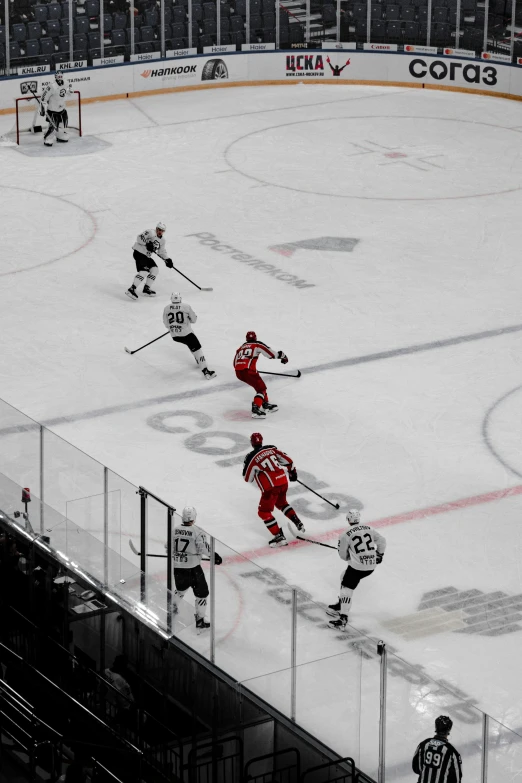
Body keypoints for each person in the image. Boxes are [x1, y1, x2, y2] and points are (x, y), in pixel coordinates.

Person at [327, 509, 386, 630]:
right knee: (343, 577)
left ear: (348, 520)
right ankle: (341, 604)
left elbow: (343, 555)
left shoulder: (344, 534)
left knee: (346, 589)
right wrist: (380, 554)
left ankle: (343, 618)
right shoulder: (369, 529)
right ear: (358, 519)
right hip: (371, 565)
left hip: (357, 567)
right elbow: (382, 541)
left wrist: (350, 556)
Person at [243, 432, 305, 547]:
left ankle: (279, 536)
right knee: (281, 503)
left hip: (271, 488)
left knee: (263, 512)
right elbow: (289, 461)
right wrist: (292, 472)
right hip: (283, 482)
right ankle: (297, 522)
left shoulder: (251, 457)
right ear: (262, 441)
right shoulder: (272, 449)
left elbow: (247, 478)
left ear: (252, 443)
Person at [167, 506, 222, 630]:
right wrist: (215, 556)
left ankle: (172, 607)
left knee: (181, 589)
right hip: (193, 568)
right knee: (202, 593)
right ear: (194, 517)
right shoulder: (197, 531)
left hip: (178, 567)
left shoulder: (175, 530)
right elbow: (203, 548)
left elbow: (168, 547)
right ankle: (200, 620)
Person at [234, 331, 289, 418]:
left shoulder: (241, 347)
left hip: (238, 372)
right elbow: (271, 354)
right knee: (261, 389)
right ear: (255, 338)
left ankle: (265, 404)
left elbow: (235, 363)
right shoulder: (257, 344)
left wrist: (250, 369)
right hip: (248, 371)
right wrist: (282, 355)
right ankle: (256, 409)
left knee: (259, 384)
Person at [162, 292, 216, 379]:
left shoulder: (166, 308)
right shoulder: (186, 306)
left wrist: (174, 327)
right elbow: (194, 320)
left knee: (191, 345)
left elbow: (166, 324)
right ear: (180, 298)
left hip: (175, 336)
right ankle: (206, 371)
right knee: (198, 350)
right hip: (187, 334)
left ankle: (198, 360)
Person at [126, 222, 173, 300]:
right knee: (144, 271)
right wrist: (147, 243)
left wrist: (167, 259)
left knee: (155, 270)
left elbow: (161, 252)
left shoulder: (162, 240)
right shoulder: (150, 232)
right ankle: (131, 289)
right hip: (139, 253)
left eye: (162, 230)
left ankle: (146, 289)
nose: (160, 231)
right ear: (156, 228)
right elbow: (139, 238)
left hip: (147, 256)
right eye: (159, 229)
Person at [412, 715, 463, 783]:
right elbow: (456, 779)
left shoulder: (424, 744)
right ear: (449, 729)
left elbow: (416, 768)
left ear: (436, 727)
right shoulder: (451, 752)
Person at [40, 72, 74, 147]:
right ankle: (48, 138)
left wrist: (70, 91)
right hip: (53, 110)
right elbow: (43, 97)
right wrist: (43, 107)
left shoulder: (66, 82)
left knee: (62, 125)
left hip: (62, 108)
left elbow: (67, 90)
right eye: (58, 76)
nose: (59, 78)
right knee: (52, 126)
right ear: (55, 77)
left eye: (61, 76)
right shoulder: (51, 86)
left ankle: (60, 136)